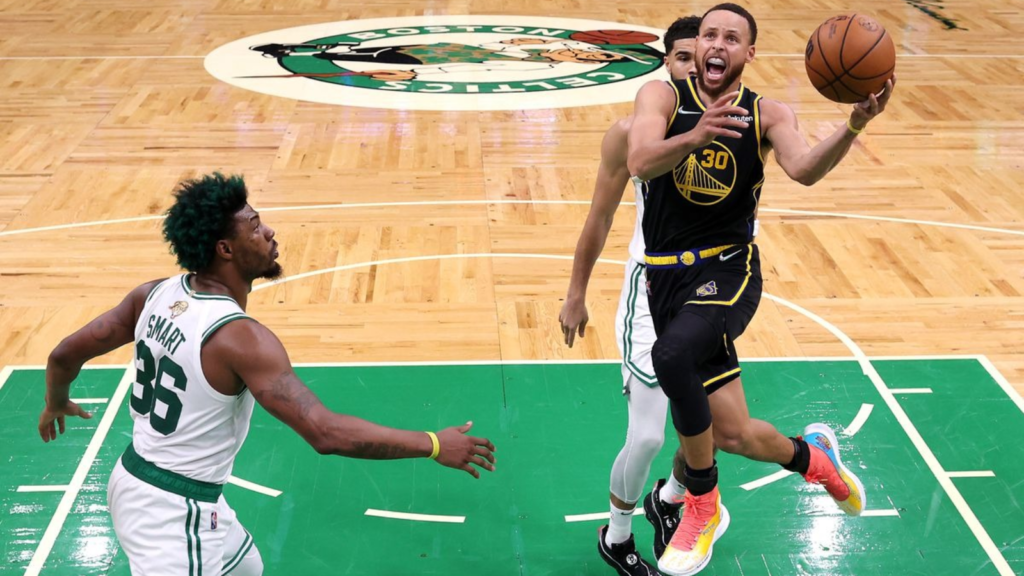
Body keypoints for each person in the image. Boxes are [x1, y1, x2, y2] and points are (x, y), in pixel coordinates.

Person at [37, 173, 497, 576]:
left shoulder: (153, 295)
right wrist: (433, 444)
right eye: (255, 227)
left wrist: (56, 400)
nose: (270, 231)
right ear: (226, 249)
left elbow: (63, 356)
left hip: (139, 476)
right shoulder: (241, 339)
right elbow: (325, 433)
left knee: (246, 568)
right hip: (174, 513)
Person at [627, 4, 893, 575]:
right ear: (696, 48)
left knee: (670, 354)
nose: (717, 44)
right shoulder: (662, 99)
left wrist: (853, 125)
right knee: (734, 432)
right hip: (666, 278)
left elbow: (803, 169)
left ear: (749, 54)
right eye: (708, 35)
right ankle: (816, 460)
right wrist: (695, 135)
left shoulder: (766, 112)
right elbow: (641, 161)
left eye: (732, 38)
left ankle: (702, 504)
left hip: (728, 273)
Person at [559, 16, 705, 576]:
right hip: (650, 290)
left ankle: (667, 501)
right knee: (646, 436)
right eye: (683, 57)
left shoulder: (740, 121)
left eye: (703, 56)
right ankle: (617, 536)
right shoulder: (629, 134)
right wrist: (576, 293)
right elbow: (598, 218)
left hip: (709, 290)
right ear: (665, 62)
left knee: (708, 430)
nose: (694, 66)